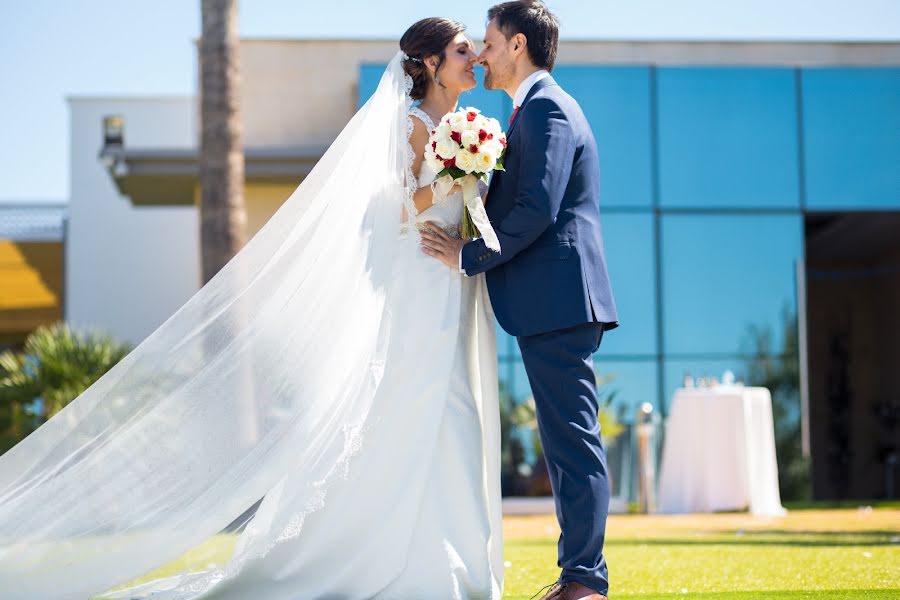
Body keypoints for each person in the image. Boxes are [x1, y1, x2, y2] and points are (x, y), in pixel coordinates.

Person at [0, 18, 503, 600]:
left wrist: (469, 198)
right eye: (462, 51)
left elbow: (472, 205)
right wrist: (451, 179)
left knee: (455, 409)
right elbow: (390, 210)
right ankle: (387, 557)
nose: (473, 60)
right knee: (418, 405)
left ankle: (452, 562)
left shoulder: (470, 126)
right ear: (432, 64)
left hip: (454, 279)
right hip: (417, 280)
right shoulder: (410, 124)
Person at [420, 2, 619, 599]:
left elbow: (537, 209)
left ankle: (585, 581)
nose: (480, 53)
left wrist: (465, 256)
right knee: (562, 446)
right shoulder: (529, 112)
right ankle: (578, 575)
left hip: (561, 302)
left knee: (573, 442)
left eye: (487, 41)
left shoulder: (550, 109)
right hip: (548, 304)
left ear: (518, 45)